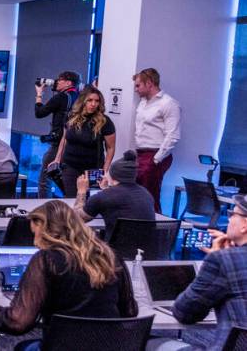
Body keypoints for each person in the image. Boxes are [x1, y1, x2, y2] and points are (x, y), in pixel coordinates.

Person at [0, 200, 138, 350]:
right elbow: (130, 312)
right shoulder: (110, 256)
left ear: (45, 229)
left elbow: (17, 322)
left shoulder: (47, 260)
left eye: (35, 233)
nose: (35, 241)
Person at [171, 195, 247, 350]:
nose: (230, 219)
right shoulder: (230, 259)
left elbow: (185, 313)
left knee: (154, 343)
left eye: (233, 214)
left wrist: (216, 258)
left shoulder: (223, 260)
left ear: (244, 225)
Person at [72, 150, 155, 235]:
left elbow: (76, 219)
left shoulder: (103, 197)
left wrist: (81, 191)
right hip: (145, 247)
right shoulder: (147, 194)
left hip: (114, 248)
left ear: (113, 175)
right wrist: (106, 189)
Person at [53, 88, 116, 198]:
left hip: (92, 168)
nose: (93, 104)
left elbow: (110, 148)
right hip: (70, 166)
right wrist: (57, 159)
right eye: (90, 100)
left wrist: (105, 171)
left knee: (89, 201)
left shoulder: (104, 121)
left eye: (97, 101)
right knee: (71, 199)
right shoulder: (71, 117)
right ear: (83, 101)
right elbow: (64, 138)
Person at [133, 68, 181, 213]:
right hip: (140, 154)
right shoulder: (142, 103)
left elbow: (173, 136)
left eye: (138, 85)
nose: (136, 89)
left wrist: (156, 159)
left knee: (150, 196)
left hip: (155, 154)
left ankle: (155, 232)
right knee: (137, 195)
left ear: (149, 84)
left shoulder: (169, 104)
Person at [34, 71, 80, 198]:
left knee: (45, 180)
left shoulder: (61, 97)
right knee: (70, 180)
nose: (56, 82)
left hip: (59, 142)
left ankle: (44, 211)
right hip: (74, 145)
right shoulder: (80, 97)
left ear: (68, 83)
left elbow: (39, 113)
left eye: (60, 80)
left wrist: (39, 95)